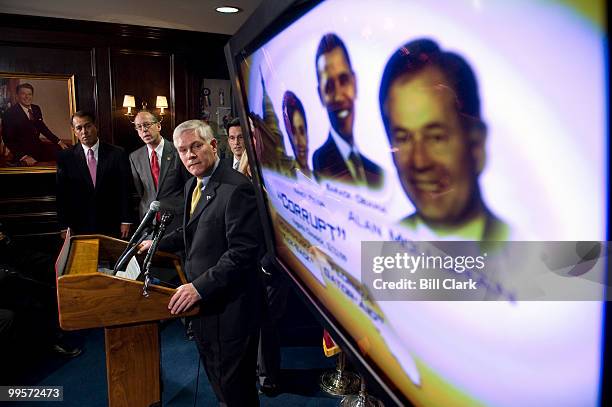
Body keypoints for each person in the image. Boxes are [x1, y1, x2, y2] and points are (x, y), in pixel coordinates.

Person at [140, 120, 262, 406]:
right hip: (206, 308)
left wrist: (198, 288)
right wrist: (155, 244)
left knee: (236, 391)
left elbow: (242, 252)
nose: (190, 155)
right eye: (183, 150)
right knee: (219, 382)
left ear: (213, 145)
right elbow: (193, 230)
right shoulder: (192, 184)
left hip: (231, 310)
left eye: (196, 146)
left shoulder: (237, 189)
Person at [379, 38, 509, 240]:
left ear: (476, 145)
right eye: (403, 138)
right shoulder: (379, 240)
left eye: (436, 137)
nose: (419, 162)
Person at [313, 33, 384, 188]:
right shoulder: (320, 162)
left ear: (355, 84)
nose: (339, 96)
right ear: (321, 96)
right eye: (329, 86)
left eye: (344, 80)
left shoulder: (376, 172)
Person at [56, 111, 132, 238]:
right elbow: (62, 195)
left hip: (112, 222)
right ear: (74, 131)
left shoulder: (117, 153)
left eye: (88, 126)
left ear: (96, 126)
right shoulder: (66, 157)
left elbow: (125, 190)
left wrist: (126, 220)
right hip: (79, 225)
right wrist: (64, 226)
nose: (84, 132)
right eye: (79, 128)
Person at [129, 110, 189, 233]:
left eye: (147, 125)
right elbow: (142, 192)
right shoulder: (134, 157)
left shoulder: (178, 151)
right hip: (149, 223)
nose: (144, 130)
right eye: (139, 127)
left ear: (158, 126)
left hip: (176, 220)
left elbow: (189, 186)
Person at [2, 83, 69, 166]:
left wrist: (58, 142)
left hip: (39, 147)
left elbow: (43, 128)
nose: (27, 97)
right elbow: (8, 140)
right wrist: (23, 156)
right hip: (23, 153)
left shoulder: (36, 108)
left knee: (66, 154)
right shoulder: (9, 113)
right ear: (17, 95)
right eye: (23, 94)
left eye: (29, 94)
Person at [282, 91, 312, 178]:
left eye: (302, 131)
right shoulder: (289, 179)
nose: (299, 142)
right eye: (293, 133)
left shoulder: (320, 177)